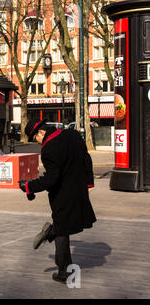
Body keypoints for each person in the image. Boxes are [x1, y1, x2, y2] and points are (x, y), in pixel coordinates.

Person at [19, 120, 96, 284]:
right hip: (79, 190)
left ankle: (64, 271)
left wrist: (28, 186)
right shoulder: (73, 135)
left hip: (62, 194)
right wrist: (89, 183)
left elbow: (52, 179)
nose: (37, 142)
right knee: (66, 226)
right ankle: (54, 239)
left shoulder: (48, 148)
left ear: (41, 133)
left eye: (35, 139)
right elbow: (86, 159)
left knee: (62, 231)